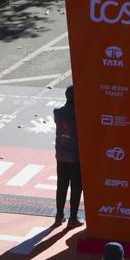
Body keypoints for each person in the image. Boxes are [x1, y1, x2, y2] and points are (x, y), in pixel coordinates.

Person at [52, 88, 82, 226]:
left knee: (61, 186)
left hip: (61, 155)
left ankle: (59, 216)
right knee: (76, 188)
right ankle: (73, 218)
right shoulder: (80, 114)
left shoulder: (57, 112)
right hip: (75, 157)